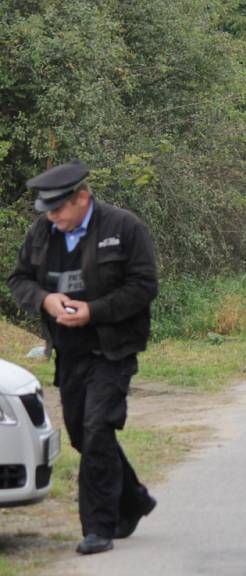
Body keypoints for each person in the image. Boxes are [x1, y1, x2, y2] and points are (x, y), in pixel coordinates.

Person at [7, 160, 159, 555]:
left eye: (59, 210)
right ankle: (135, 498)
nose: (53, 218)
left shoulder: (124, 228)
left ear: (82, 199)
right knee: (82, 433)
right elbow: (19, 279)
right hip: (69, 353)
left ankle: (98, 527)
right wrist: (46, 300)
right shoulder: (43, 232)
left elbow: (144, 286)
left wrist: (95, 310)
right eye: (48, 211)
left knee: (97, 427)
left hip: (113, 349)